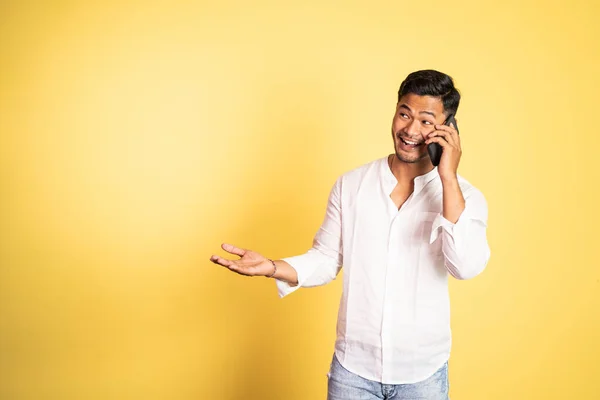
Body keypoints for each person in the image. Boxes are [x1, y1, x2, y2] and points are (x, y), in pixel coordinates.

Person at [210, 69, 490, 400]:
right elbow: (327, 258)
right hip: (353, 371)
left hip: (423, 374)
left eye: (427, 121)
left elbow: (466, 266)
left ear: (448, 129)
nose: (411, 129)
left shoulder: (464, 196)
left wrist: (447, 178)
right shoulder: (352, 185)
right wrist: (272, 266)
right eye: (404, 113)